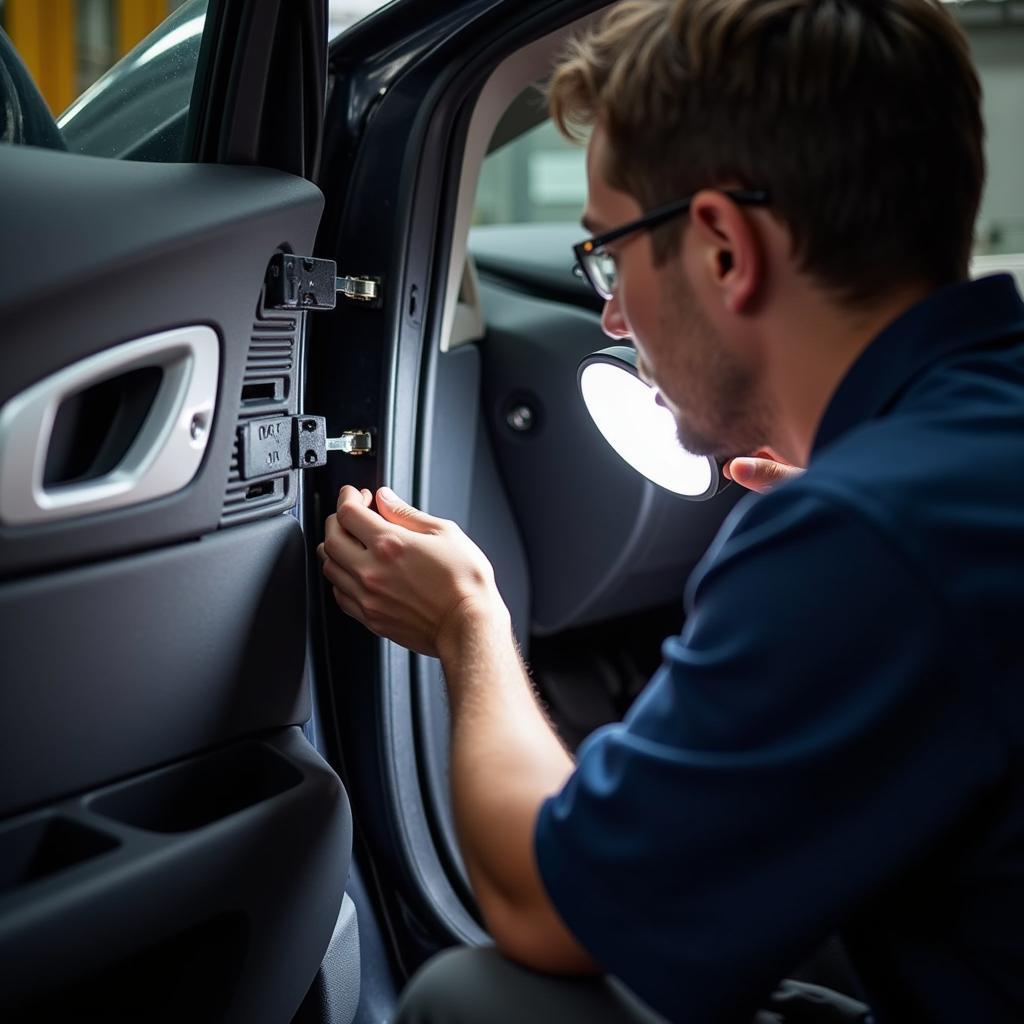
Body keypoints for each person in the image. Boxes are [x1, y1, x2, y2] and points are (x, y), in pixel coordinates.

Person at [317, 0, 1024, 1020]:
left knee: (479, 1000)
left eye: (608, 252)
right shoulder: (946, 475)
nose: (611, 314)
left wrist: (468, 624)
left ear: (725, 249)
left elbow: (541, 907)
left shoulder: (869, 539)